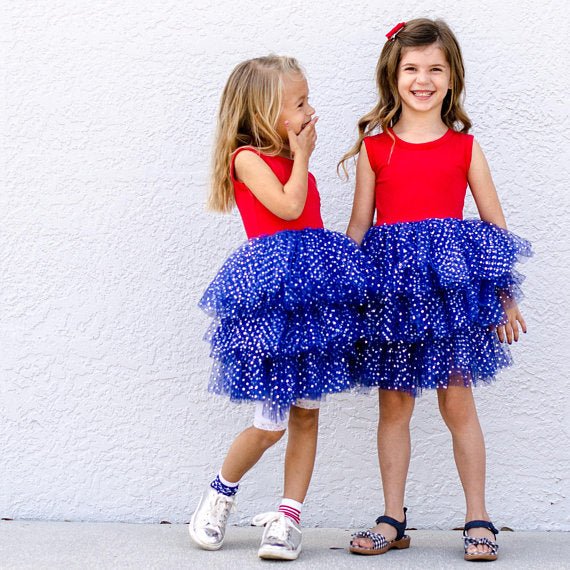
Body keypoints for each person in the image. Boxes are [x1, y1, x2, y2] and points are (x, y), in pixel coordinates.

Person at [339, 18, 532, 562]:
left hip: (449, 298)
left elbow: (494, 227)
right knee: (394, 405)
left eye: (434, 69)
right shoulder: (376, 149)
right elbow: (359, 227)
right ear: (393, 75)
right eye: (411, 69)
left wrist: (504, 296)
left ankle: (478, 516)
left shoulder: (465, 148)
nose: (422, 80)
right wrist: (344, 289)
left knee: (458, 402)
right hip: (392, 294)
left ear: (451, 79)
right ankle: (392, 518)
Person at [190, 55, 371, 561]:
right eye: (300, 102)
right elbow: (289, 208)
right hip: (274, 304)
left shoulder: (289, 157)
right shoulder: (246, 157)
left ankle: (288, 517)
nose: (311, 109)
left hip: (311, 300)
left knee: (308, 416)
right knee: (269, 422)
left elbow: (305, 220)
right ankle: (221, 493)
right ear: (268, 111)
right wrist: (303, 157)